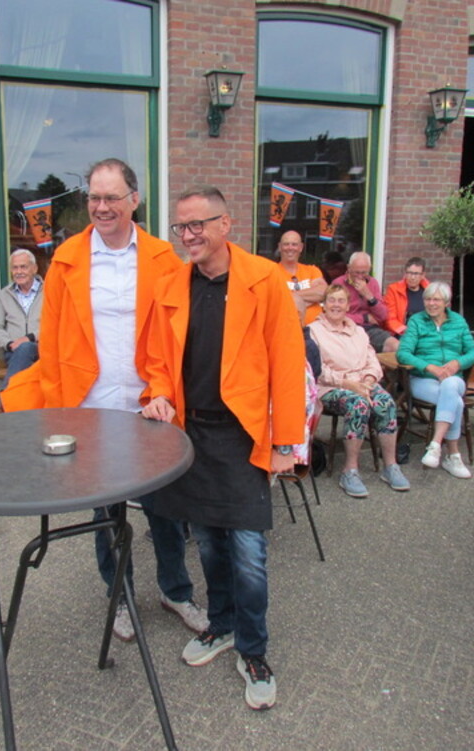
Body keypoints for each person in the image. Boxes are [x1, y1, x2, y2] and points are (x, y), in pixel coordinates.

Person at [2, 158, 206, 643]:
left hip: (148, 405)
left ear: (134, 200)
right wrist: (59, 408)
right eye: (94, 197)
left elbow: (174, 337)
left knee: (166, 508)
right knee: (106, 513)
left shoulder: (162, 258)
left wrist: (164, 391)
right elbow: (52, 342)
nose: (101, 207)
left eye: (112, 197)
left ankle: (176, 591)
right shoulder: (67, 258)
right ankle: (119, 597)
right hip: (90, 407)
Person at [142, 185, 305, 711]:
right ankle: (223, 624)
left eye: (198, 225)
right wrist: (159, 393)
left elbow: (287, 362)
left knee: (249, 553)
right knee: (209, 543)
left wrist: (286, 441)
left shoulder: (263, 279)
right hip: (191, 434)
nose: (188, 235)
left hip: (243, 435)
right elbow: (157, 358)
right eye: (181, 227)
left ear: (225, 224)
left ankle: (254, 651)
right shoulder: (172, 283)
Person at [308, 284, 410, 496]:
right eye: (332, 300)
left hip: (363, 383)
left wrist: (369, 380)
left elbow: (372, 359)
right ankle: (350, 470)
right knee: (359, 405)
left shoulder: (359, 331)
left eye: (341, 301)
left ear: (348, 306)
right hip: (330, 387)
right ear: (323, 305)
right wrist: (349, 384)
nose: (336, 305)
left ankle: (390, 466)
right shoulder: (314, 331)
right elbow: (316, 369)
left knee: (386, 402)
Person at [396, 281, 474, 478]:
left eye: (436, 300)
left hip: (453, 378)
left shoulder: (458, 321)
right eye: (427, 299)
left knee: (450, 384)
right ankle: (452, 455)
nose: (431, 304)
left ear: (446, 303)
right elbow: (403, 354)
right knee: (456, 402)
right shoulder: (417, 321)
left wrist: (458, 363)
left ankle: (435, 445)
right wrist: (429, 367)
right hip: (423, 380)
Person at [0, 249, 42, 388]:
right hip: (14, 352)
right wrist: (9, 343)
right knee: (23, 350)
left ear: (34, 268)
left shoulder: (50, 291)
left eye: (23, 267)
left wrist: (30, 337)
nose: (19, 272)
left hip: (45, 350)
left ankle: (4, 397)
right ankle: (8, 397)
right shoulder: (4, 296)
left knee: (26, 347)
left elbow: (57, 324)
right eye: (15, 268)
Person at [332, 251, 400, 353]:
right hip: (345, 328)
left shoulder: (373, 283)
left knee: (396, 346)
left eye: (364, 273)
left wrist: (369, 296)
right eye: (356, 272)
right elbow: (335, 314)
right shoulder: (338, 284)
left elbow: (383, 316)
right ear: (349, 268)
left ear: (369, 269)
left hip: (369, 329)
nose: (360, 277)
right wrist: (364, 318)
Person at [274, 230, 327, 325]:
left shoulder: (312, 270)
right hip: (285, 328)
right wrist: (309, 298)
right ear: (280, 247)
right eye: (286, 244)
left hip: (314, 329)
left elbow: (323, 292)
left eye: (294, 244)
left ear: (301, 247)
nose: (290, 248)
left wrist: (289, 297)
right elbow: (275, 301)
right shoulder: (272, 272)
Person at [384, 256, 430, 336]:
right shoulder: (394, 290)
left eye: (416, 274)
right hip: (403, 333)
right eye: (409, 273)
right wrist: (407, 331)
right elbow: (390, 319)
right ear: (405, 273)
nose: (412, 277)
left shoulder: (430, 291)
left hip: (426, 332)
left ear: (423, 275)